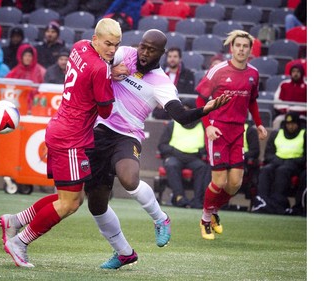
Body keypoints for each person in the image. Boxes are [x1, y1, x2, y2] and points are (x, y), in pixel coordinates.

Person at [84, 29, 230, 269]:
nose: (144, 52)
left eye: (151, 49)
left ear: (161, 53)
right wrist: (110, 71)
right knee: (96, 203)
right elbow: (94, 63)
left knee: (129, 178)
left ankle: (160, 218)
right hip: (98, 131)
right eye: (143, 46)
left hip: (127, 135)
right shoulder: (125, 54)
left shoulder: (163, 83)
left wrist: (206, 109)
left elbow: (181, 116)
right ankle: (123, 253)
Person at [0, 18, 122, 268]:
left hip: (60, 128)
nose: (112, 50)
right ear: (96, 39)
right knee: (69, 203)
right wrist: (111, 77)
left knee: (68, 198)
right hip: (71, 139)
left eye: (117, 45)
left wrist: (108, 72)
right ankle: (20, 242)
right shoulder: (100, 69)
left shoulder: (78, 47)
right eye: (108, 44)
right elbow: (106, 112)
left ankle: (15, 221)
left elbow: (87, 75)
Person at [195, 30, 268, 240]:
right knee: (219, 181)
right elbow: (200, 101)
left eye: (245, 46)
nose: (241, 49)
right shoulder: (217, 70)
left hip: (238, 131)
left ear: (250, 50)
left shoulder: (254, 73)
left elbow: (252, 101)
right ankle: (206, 219)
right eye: (238, 45)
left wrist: (260, 124)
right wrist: (208, 126)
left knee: (235, 183)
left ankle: (214, 210)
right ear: (232, 48)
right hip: (217, 130)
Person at [157, 98, 211, 209]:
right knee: (171, 165)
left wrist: (200, 152)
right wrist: (173, 151)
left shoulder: (203, 125)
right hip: (175, 156)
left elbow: (207, 147)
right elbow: (162, 146)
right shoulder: (172, 124)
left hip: (193, 157)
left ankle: (198, 200)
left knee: (202, 167)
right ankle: (179, 197)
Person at [251, 112, 306, 215]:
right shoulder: (276, 133)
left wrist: (290, 161)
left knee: (282, 170)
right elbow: (268, 154)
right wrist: (279, 160)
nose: (290, 126)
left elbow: (305, 157)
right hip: (277, 161)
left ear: (298, 124)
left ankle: (278, 202)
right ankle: (262, 200)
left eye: (293, 124)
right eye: (288, 124)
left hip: (295, 164)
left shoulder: (304, 134)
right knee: (265, 170)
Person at [5, 43, 46, 111]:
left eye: (29, 56)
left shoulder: (41, 71)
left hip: (35, 106)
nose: (27, 58)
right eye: (25, 56)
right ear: (21, 57)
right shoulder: (14, 72)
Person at [272, 64, 307, 130]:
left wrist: (295, 110)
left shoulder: (307, 86)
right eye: (293, 71)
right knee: (277, 121)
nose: (295, 74)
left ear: (301, 73)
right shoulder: (284, 84)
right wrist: (285, 109)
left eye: (298, 72)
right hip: (285, 114)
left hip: (302, 115)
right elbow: (276, 101)